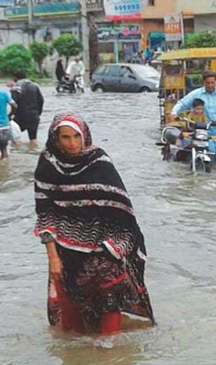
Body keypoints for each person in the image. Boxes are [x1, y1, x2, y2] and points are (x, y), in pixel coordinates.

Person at [34, 112, 155, 336]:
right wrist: (52, 257)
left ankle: (109, 353)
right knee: (73, 319)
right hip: (66, 250)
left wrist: (114, 246)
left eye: (76, 136)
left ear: (85, 136)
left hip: (105, 246)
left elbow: (122, 210)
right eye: (66, 137)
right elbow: (45, 215)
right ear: (55, 139)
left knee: (110, 302)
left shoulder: (99, 161)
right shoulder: (47, 165)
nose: (72, 143)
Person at [170, 71, 216, 163]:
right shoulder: (196, 94)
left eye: (212, 83)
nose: (210, 85)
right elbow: (182, 103)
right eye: (207, 83)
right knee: (197, 149)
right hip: (200, 129)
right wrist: (174, 112)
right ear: (203, 83)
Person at [11, 70, 44, 148]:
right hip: (34, 116)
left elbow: (14, 104)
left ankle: (17, 155)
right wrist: (38, 113)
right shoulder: (35, 85)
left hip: (21, 116)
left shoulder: (16, 87)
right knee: (33, 139)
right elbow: (41, 101)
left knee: (14, 138)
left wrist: (11, 115)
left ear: (15, 78)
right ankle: (33, 153)